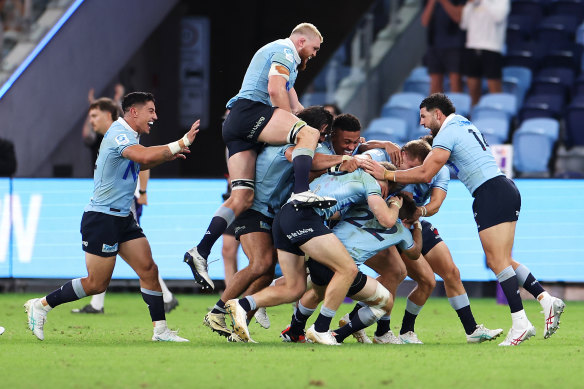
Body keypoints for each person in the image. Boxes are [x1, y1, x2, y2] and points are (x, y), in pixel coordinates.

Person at [362, 93, 566, 346]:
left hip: (489, 192)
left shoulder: (447, 132)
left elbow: (426, 173)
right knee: (504, 260)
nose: (422, 123)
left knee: (496, 261)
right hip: (504, 188)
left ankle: (520, 322)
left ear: (438, 114)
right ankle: (546, 299)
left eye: (424, 117)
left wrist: (386, 175)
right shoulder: (465, 124)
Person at [24, 92, 199, 342]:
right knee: (96, 284)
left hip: (123, 218)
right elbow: (142, 156)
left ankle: (160, 331)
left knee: (149, 269)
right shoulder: (120, 133)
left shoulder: (130, 135)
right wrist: (181, 142)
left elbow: (137, 164)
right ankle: (41, 305)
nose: (155, 116)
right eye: (151, 110)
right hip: (102, 218)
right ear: (134, 112)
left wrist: (166, 156)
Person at [184, 23, 338, 291]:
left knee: (242, 197)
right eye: (314, 49)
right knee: (307, 134)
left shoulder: (286, 61)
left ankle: (200, 250)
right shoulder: (286, 50)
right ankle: (301, 192)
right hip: (251, 113)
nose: (314, 55)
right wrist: (296, 128)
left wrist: (300, 122)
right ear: (301, 41)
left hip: (235, 126)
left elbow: (298, 108)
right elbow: (275, 89)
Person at [203, 106, 350, 340]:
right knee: (260, 264)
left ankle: (241, 323)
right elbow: (306, 160)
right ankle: (218, 311)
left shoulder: (288, 139)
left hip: (268, 212)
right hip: (254, 210)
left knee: (266, 271)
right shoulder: (288, 145)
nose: (322, 138)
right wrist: (343, 159)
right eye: (322, 133)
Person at [71, 97, 180, 315]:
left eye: (94, 116)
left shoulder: (121, 135)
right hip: (111, 207)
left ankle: (164, 301)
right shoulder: (109, 137)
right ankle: (96, 303)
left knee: (139, 261)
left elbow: (143, 159)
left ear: (109, 115)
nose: (91, 121)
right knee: (126, 262)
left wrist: (142, 192)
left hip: (122, 206)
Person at [281, 187, 424, 344]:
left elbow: (337, 213)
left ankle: (294, 331)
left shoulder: (364, 205)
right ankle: (336, 334)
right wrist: (417, 226)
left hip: (319, 254)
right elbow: (415, 253)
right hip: (342, 269)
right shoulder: (401, 230)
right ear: (405, 219)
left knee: (316, 292)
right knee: (386, 302)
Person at [459, 0, 510, 105]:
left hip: (492, 48)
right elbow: (463, 25)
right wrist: (469, 5)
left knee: (494, 90)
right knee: (472, 89)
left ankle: (497, 116)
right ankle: (475, 116)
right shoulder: (472, 2)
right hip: (472, 46)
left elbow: (499, 17)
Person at [421, 0, 466, 94]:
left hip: (455, 45)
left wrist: (444, 2)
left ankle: (456, 108)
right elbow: (425, 21)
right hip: (434, 45)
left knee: (455, 84)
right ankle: (435, 108)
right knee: (434, 86)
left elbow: (458, 17)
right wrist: (431, 2)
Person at [82, 84, 125, 168]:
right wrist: (92, 108)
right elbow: (86, 134)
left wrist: (117, 101)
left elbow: (130, 125)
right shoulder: (97, 138)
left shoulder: (120, 136)